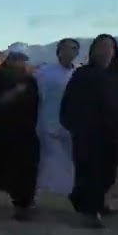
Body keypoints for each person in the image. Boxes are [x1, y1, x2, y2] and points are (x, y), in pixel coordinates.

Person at [59, 34, 118, 228]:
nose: (105, 50)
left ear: (115, 50)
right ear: (93, 51)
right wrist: (72, 125)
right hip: (88, 133)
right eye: (101, 46)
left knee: (108, 172)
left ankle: (92, 201)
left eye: (109, 46)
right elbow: (69, 101)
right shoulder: (83, 74)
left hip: (115, 131)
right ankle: (90, 212)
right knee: (90, 171)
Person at [0, 43, 41, 220]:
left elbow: (35, 106)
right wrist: (10, 96)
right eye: (17, 58)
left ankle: (23, 205)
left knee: (24, 168)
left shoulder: (30, 81)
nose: (19, 62)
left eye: (22, 59)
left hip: (22, 132)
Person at [34, 38, 81, 197]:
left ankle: (70, 194)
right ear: (59, 51)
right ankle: (37, 193)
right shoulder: (44, 72)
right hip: (46, 122)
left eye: (74, 48)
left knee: (69, 161)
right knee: (45, 161)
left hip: (70, 125)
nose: (70, 52)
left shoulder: (79, 73)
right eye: (67, 48)